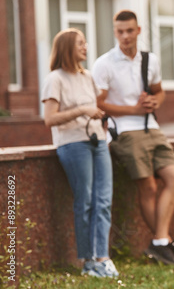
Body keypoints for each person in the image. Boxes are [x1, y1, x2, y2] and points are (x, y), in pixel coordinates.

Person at [92, 10, 174, 265]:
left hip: (152, 128)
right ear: (115, 32)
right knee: (147, 186)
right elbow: (98, 103)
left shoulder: (150, 60)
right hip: (124, 132)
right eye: (120, 31)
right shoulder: (104, 64)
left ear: (138, 31)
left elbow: (160, 92)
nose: (125, 36)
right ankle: (164, 243)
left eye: (129, 30)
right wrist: (133, 110)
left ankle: (159, 243)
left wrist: (152, 101)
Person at [41, 28, 119, 278]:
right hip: (73, 144)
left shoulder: (87, 77)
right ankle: (87, 262)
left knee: (104, 200)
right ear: (67, 48)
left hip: (98, 141)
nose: (86, 47)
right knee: (84, 200)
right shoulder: (55, 78)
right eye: (80, 44)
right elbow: (49, 119)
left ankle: (102, 258)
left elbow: (93, 107)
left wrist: (96, 113)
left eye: (85, 43)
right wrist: (82, 110)